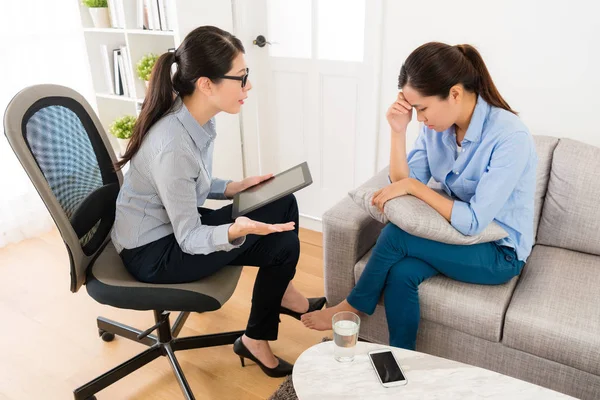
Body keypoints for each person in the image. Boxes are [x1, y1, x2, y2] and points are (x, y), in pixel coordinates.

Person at [111, 26, 325, 377]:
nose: (248, 87)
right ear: (207, 84)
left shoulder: (196, 119)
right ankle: (260, 332)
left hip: (171, 227)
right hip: (154, 253)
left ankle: (275, 302)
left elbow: (189, 185)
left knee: (283, 203)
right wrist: (232, 231)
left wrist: (232, 188)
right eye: (241, 79)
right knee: (282, 244)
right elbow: (189, 237)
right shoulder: (173, 145)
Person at [301, 42, 537, 350]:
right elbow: (404, 184)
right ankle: (401, 360)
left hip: (497, 252)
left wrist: (416, 188)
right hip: (456, 237)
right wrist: (398, 131)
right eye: (414, 111)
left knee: (396, 236)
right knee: (401, 273)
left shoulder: (510, 137)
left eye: (422, 109)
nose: (420, 120)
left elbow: (474, 221)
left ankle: (354, 305)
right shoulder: (439, 128)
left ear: (454, 93)